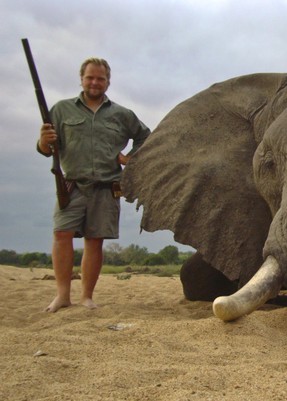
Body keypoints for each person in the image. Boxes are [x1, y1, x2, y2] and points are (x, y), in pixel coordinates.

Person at [37, 57, 150, 312]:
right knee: (61, 234)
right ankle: (62, 295)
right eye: (90, 77)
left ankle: (86, 296)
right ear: (81, 79)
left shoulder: (122, 114)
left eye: (100, 78)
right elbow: (46, 149)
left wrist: (130, 158)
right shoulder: (61, 110)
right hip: (71, 185)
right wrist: (44, 141)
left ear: (108, 82)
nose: (95, 82)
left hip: (106, 186)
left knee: (94, 240)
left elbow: (146, 136)